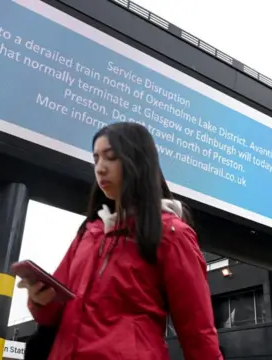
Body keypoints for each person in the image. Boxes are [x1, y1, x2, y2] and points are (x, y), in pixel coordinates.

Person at [19, 122, 223, 360]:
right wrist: (40, 300)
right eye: (96, 159)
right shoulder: (88, 232)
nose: (100, 169)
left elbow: (198, 332)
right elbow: (54, 312)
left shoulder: (173, 234)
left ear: (138, 162)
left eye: (111, 157)